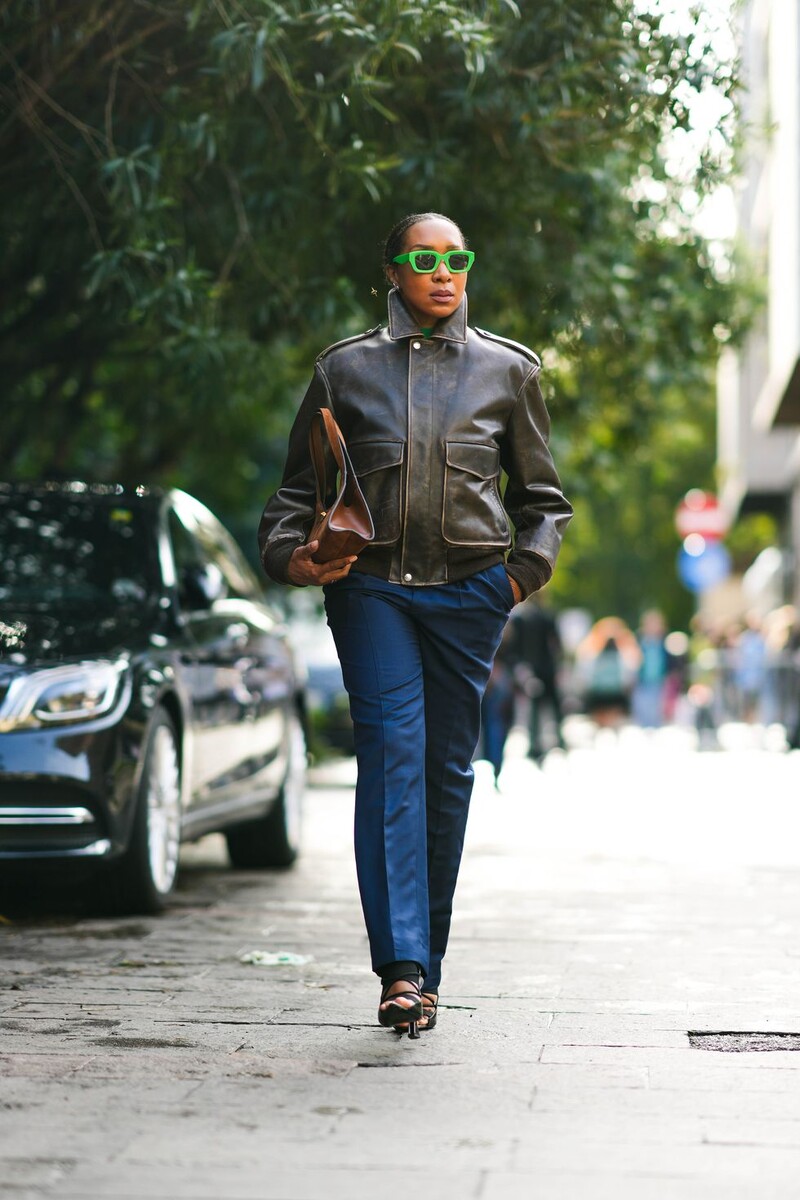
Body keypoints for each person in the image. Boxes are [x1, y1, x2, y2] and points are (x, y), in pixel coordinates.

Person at [258, 212, 572, 1036]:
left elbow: (544, 502)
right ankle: (400, 970)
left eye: (455, 259)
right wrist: (292, 557)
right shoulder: (343, 369)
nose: (443, 273)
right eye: (424, 259)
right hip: (372, 592)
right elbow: (294, 494)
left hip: (471, 595)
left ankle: (425, 967)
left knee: (445, 771)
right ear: (392, 272)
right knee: (392, 756)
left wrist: (516, 579)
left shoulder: (510, 371)